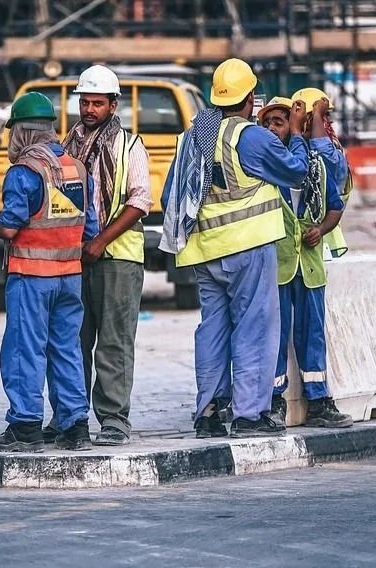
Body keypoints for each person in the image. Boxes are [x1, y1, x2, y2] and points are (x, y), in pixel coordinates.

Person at [160, 58, 309, 438]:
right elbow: (295, 171)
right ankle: (248, 414)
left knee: (212, 330)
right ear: (251, 100)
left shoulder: (195, 135)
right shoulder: (252, 137)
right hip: (248, 247)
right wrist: (296, 133)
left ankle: (209, 412)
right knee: (254, 328)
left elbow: (171, 195)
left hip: (204, 251)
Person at [0, 92, 98, 453]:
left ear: (22, 133)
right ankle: (75, 426)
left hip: (31, 276)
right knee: (66, 348)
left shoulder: (23, 172)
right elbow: (89, 228)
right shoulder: (77, 167)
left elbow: (10, 228)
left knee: (24, 350)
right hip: (70, 276)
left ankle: (25, 425)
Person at [52, 65, 152, 447]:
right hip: (74, 257)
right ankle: (71, 418)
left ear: (113, 105)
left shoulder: (129, 146)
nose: (90, 109)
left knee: (113, 341)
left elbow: (139, 201)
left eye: (98, 103)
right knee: (73, 341)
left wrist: (100, 242)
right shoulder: (67, 147)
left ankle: (113, 419)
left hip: (118, 259)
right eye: (85, 101)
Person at [257, 94, 353, 430]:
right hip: (277, 266)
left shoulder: (317, 165)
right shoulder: (264, 167)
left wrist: (321, 229)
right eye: (267, 123)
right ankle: (272, 401)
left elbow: (336, 205)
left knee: (312, 334)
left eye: (279, 122)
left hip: (309, 266)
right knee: (275, 335)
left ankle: (318, 401)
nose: (272, 129)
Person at [291, 87, 352, 258]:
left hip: (325, 243)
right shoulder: (295, 153)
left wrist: (316, 116)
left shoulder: (335, 155)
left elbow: (323, 154)